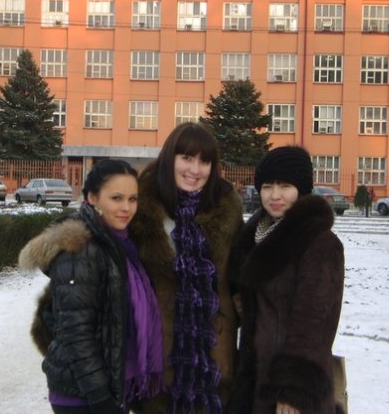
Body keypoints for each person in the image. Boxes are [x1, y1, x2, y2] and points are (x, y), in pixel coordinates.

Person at [18, 159, 164, 414]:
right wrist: (100, 397)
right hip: (83, 396)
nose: (126, 208)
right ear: (92, 198)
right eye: (116, 198)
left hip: (107, 387)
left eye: (132, 199)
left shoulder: (121, 244)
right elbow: (75, 332)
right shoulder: (81, 248)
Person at [129, 122, 244, 414]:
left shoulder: (227, 213)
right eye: (187, 158)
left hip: (214, 370)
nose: (195, 169)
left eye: (204, 161)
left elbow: (246, 278)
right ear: (170, 158)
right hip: (155, 371)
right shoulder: (139, 208)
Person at [227, 146, 345, 414]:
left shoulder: (319, 243)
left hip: (289, 389)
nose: (275, 195)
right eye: (267, 186)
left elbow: (314, 323)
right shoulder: (255, 237)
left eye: (285, 186)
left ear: (301, 189)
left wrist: (293, 390)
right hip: (255, 378)